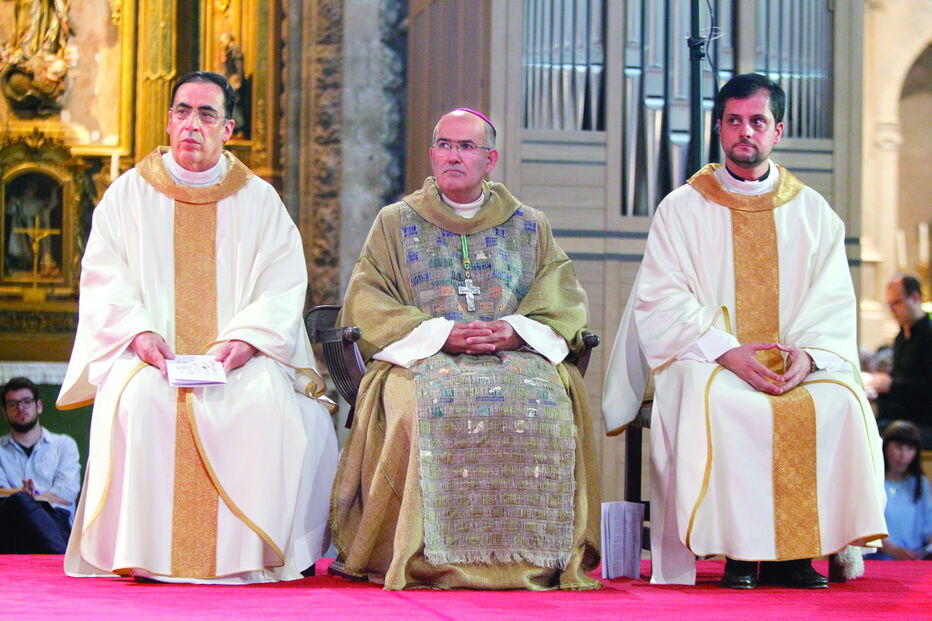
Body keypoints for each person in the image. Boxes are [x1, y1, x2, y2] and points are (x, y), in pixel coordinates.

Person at [603, 73, 887, 588]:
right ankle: (737, 555)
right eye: (734, 121)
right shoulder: (683, 208)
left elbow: (832, 303)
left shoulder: (813, 212)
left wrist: (811, 356)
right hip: (712, 359)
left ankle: (796, 556)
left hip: (792, 363)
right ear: (719, 129)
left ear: (778, 129)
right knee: (721, 401)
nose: (745, 132)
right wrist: (728, 352)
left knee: (840, 400)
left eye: (757, 121)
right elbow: (660, 301)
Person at [57, 71, 338, 584]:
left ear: (227, 128)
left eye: (207, 114)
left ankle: (246, 559)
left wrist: (247, 339)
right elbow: (103, 274)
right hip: (150, 357)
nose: (192, 124)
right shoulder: (128, 196)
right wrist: (138, 332)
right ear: (169, 120)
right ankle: (144, 555)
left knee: (263, 405)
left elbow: (282, 281)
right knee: (141, 403)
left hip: (235, 359)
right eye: (183, 112)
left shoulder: (258, 200)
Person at [330, 108, 600, 590]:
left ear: (490, 159)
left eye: (466, 146)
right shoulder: (395, 223)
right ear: (432, 153)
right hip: (421, 358)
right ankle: (417, 556)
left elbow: (562, 295)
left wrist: (515, 331)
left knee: (551, 406)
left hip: (515, 358)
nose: (453, 155)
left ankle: (536, 557)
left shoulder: (529, 226)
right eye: (444, 145)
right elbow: (365, 300)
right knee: (416, 410)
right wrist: (439, 334)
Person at [0, 376, 80, 553]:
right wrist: (22, 497)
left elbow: (66, 494)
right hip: (11, 525)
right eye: (12, 404)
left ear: (39, 406)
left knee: (21, 501)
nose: (20, 408)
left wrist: (27, 497)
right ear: (5, 412)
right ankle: (60, 559)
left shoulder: (64, 445)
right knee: (17, 504)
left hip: (55, 522)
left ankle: (60, 557)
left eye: (26, 402)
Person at [873, 275, 932, 446]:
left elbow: (927, 387)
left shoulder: (928, 336)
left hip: (922, 421)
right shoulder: (901, 337)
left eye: (897, 303)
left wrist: (891, 385)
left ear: (915, 298)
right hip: (898, 416)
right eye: (889, 305)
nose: (892, 310)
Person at [874, 421, 932, 560]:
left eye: (910, 448)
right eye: (898, 447)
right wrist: (893, 550)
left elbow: (928, 523)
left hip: (916, 557)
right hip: (882, 556)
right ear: (886, 447)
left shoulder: (921, 483)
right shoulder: (874, 482)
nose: (903, 455)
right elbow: (866, 526)